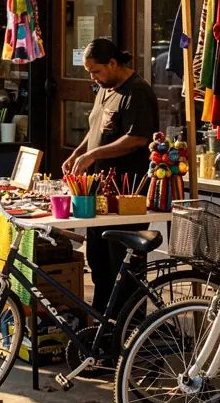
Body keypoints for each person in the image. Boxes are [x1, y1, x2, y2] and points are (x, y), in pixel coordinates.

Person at [62, 37, 160, 312]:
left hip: (126, 194)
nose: (93, 77)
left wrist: (93, 155)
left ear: (113, 63)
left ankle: (129, 324)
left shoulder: (137, 92)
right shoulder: (105, 88)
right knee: (97, 257)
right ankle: (103, 321)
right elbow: (96, 131)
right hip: (100, 193)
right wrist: (78, 152)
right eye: (90, 72)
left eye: (97, 71)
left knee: (122, 264)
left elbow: (137, 139)